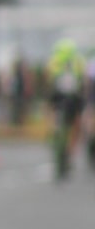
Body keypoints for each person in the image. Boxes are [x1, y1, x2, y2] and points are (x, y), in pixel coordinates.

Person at [45, 37, 87, 176]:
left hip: (58, 99)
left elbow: (48, 80)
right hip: (73, 100)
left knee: (53, 115)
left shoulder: (54, 61)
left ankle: (53, 133)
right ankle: (69, 152)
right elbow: (83, 83)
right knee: (76, 125)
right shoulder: (78, 62)